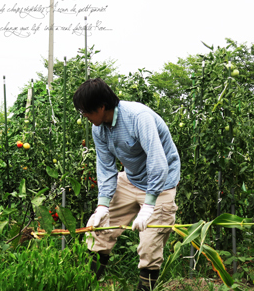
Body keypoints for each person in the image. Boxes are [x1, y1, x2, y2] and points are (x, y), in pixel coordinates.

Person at [73, 78, 180, 290]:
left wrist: (149, 205)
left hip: (161, 183)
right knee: (99, 229)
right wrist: (102, 205)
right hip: (131, 179)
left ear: (101, 107)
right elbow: (105, 168)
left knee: (150, 246)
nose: (84, 116)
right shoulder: (99, 129)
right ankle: (87, 284)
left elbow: (158, 162)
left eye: (85, 111)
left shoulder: (139, 118)